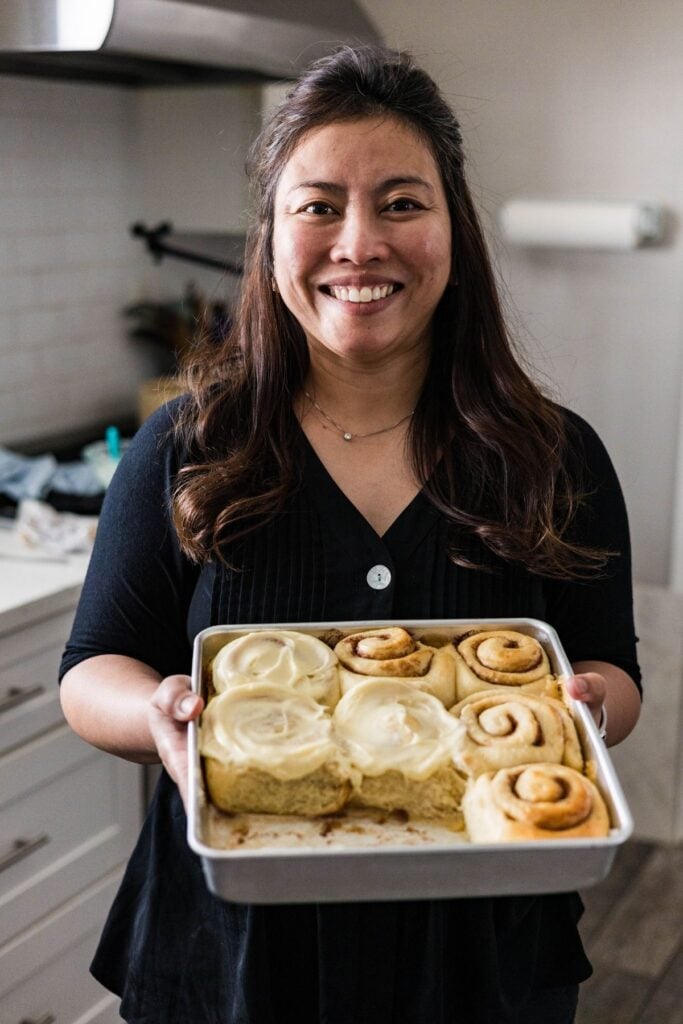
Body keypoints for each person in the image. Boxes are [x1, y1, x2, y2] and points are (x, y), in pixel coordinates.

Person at [59, 44, 641, 1024]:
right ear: (271, 235)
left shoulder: (550, 454)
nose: (358, 241)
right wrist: (157, 710)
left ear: (451, 228)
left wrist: (582, 704)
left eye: (401, 203)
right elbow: (91, 668)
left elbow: (608, 672)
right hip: (228, 951)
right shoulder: (186, 445)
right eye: (319, 205)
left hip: (480, 950)